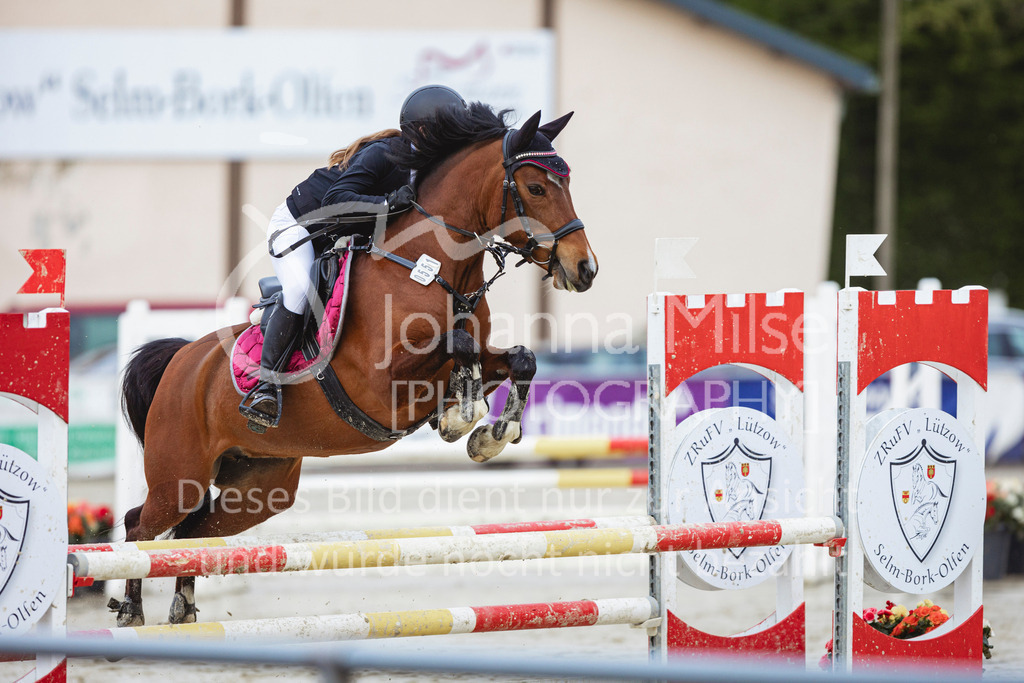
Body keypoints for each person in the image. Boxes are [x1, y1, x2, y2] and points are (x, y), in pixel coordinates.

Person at [239, 84, 469, 431]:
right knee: (300, 291)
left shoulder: (426, 167)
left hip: (340, 238)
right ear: (424, 131)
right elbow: (336, 201)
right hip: (299, 228)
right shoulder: (386, 153)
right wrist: (389, 204)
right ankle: (265, 386)